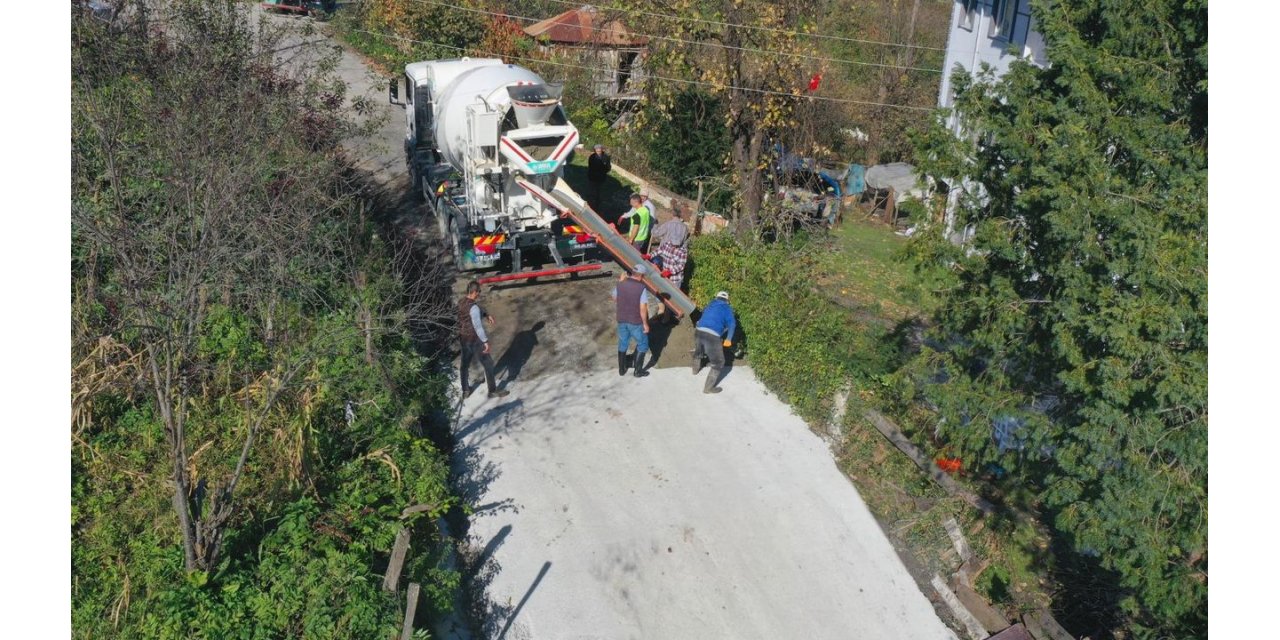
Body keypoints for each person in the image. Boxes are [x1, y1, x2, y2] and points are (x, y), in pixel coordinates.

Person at [458, 281, 510, 399]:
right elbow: (478, 326)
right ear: (475, 292)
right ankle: (492, 391)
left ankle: (465, 391)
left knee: (464, 365)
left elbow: (476, 308)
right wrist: (485, 342)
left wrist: (486, 314)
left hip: (463, 338)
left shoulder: (461, 302)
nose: (479, 294)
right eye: (479, 292)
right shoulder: (474, 308)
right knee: (488, 363)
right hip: (475, 340)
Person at [612, 263, 653, 378]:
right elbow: (643, 308)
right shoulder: (641, 288)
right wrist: (645, 324)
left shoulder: (620, 284)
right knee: (643, 344)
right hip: (635, 321)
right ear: (641, 276)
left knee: (623, 342)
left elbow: (614, 298)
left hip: (621, 319)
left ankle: (621, 369)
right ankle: (638, 371)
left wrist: (620, 281)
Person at [692, 290, 736, 394]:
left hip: (699, 331)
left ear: (716, 297)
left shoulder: (710, 304)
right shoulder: (727, 309)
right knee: (718, 363)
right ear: (727, 301)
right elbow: (732, 325)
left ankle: (695, 370)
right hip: (712, 336)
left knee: (699, 351)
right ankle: (708, 388)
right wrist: (728, 339)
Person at [650, 201, 691, 289]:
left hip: (665, 256)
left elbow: (656, 233)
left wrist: (654, 225)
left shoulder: (668, 224)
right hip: (672, 254)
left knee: (662, 280)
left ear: (672, 214)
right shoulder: (685, 228)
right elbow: (684, 242)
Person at [586, 144, 611, 211]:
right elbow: (590, 167)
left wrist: (604, 170)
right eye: (597, 150)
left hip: (601, 177)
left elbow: (608, 167)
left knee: (599, 191)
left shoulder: (606, 157)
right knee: (592, 190)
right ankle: (590, 203)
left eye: (599, 150)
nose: (598, 151)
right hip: (592, 177)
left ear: (602, 150)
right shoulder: (592, 157)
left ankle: (598, 203)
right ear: (595, 150)